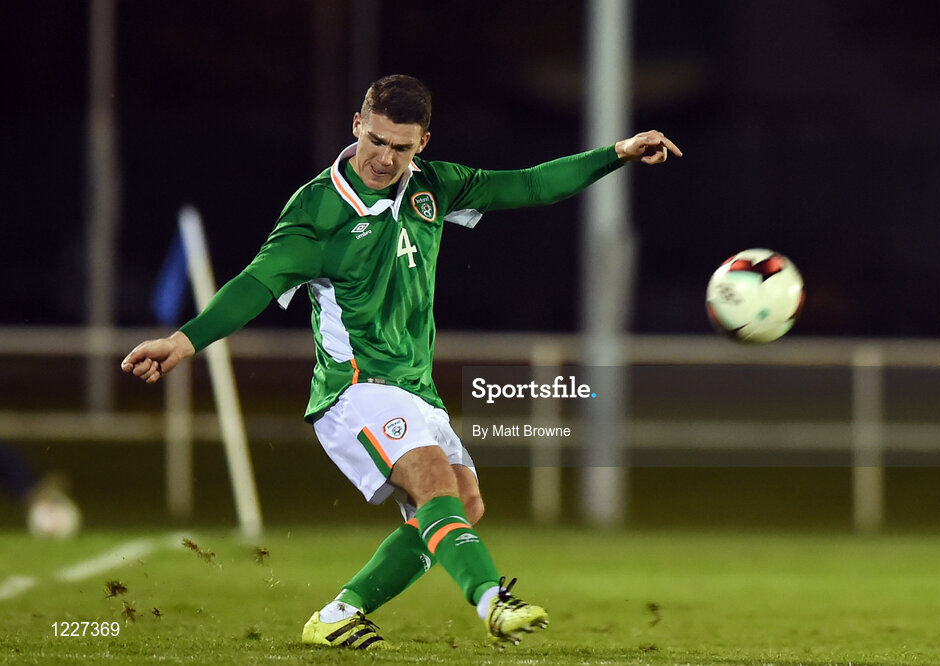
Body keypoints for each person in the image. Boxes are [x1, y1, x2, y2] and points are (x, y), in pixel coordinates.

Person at [121, 74, 681, 649]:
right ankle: (492, 600)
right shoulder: (318, 210)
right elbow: (255, 284)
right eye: (378, 141)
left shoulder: (432, 188)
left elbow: (532, 185)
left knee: (464, 501)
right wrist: (183, 342)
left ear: (423, 144)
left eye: (402, 147)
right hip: (355, 386)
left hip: (415, 387)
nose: (385, 158)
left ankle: (339, 614)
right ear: (358, 125)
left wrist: (616, 153)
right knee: (433, 479)